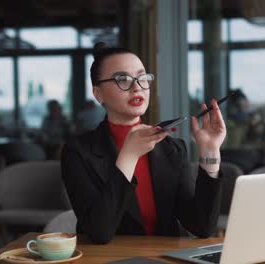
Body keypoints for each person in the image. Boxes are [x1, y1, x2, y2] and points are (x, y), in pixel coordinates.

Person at [61, 42, 227, 244]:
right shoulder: (78, 151)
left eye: (142, 78)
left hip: (163, 258)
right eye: (122, 79)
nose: (137, 86)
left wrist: (210, 152)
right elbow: (99, 232)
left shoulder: (172, 148)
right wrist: (128, 157)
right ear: (98, 94)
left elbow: (201, 226)